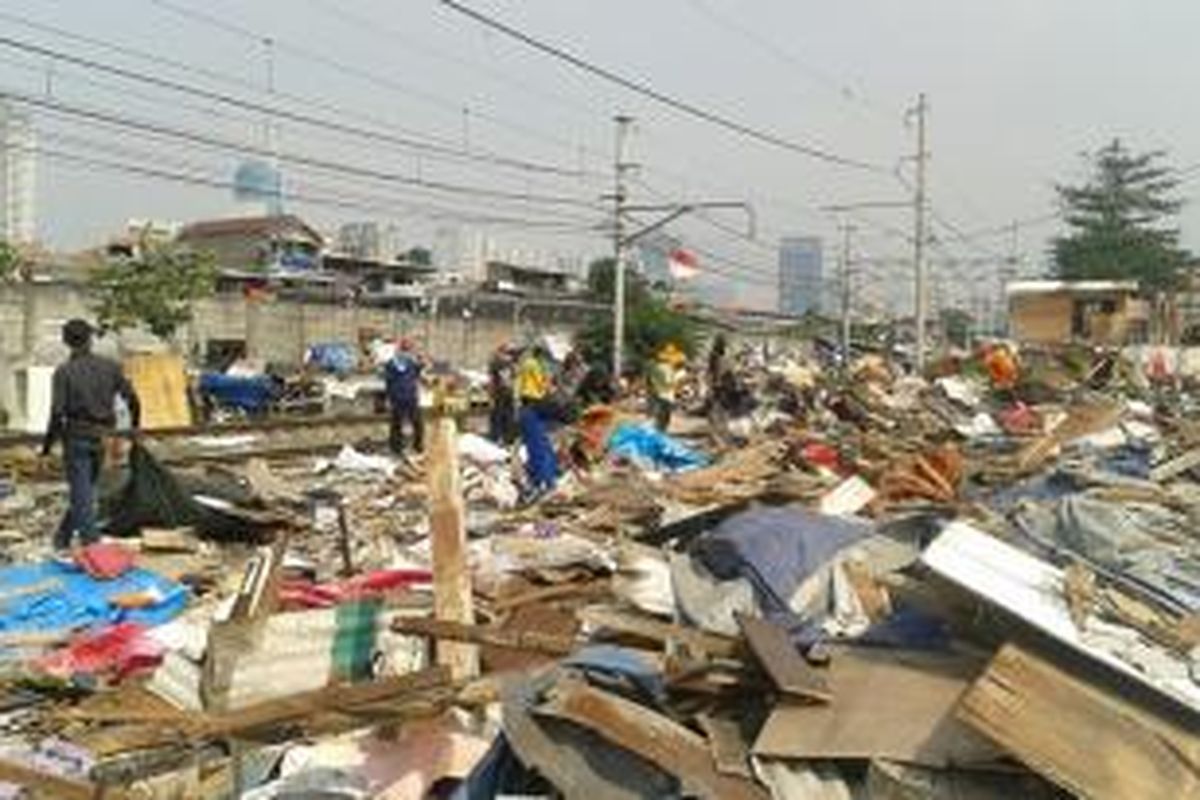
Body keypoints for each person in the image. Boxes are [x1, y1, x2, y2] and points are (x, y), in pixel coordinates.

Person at [42, 319, 141, 553]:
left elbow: (57, 413)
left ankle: (91, 545)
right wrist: (134, 428)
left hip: (76, 437)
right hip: (102, 437)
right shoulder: (110, 367)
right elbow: (133, 400)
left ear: (66, 341)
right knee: (84, 491)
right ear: (90, 338)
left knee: (82, 493)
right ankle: (62, 538)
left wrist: (47, 447)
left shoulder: (64, 372)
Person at [515, 344, 559, 500]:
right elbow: (541, 384)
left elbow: (523, 384)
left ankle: (541, 481)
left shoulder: (527, 364)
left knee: (536, 446)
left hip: (530, 405)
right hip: (535, 403)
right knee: (540, 445)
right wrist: (548, 388)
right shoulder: (534, 365)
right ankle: (545, 480)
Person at [384, 338, 425, 456]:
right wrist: (388, 398)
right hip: (397, 398)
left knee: (418, 423)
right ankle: (396, 448)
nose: (406, 353)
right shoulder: (391, 364)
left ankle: (418, 446)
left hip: (411, 397)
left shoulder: (411, 363)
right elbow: (388, 382)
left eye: (408, 350)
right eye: (404, 349)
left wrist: (421, 361)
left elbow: (418, 372)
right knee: (396, 424)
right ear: (399, 350)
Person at [647, 343, 683, 431]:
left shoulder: (655, 367)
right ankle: (660, 431)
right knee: (664, 416)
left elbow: (649, 380)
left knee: (658, 415)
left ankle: (657, 431)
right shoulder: (666, 368)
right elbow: (669, 382)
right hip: (665, 395)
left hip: (657, 393)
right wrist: (678, 380)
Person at [487, 343, 516, 444]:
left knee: (497, 415)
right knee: (508, 416)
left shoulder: (495, 363)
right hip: (509, 392)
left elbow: (491, 380)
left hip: (499, 392)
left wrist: (490, 394)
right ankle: (508, 438)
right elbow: (513, 379)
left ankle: (495, 438)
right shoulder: (512, 364)